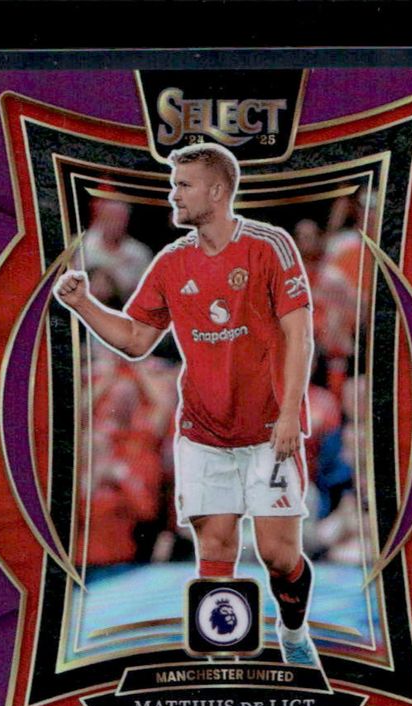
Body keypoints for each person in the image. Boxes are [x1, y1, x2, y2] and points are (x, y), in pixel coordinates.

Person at [54, 143, 321, 668]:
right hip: (202, 433)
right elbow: (136, 340)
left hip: (270, 430)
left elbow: (300, 333)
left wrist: (291, 412)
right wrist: (83, 304)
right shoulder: (172, 261)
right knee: (216, 549)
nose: (172, 194)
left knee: (278, 555)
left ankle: (293, 631)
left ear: (217, 191)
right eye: (173, 184)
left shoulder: (270, 245)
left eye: (183, 185)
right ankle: (224, 665)